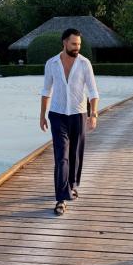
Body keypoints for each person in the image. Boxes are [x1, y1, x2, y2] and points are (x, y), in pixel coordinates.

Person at [40, 28, 99, 215]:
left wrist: (94, 114)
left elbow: (93, 92)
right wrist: (42, 115)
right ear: (64, 42)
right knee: (61, 157)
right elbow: (45, 91)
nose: (77, 47)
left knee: (75, 154)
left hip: (78, 114)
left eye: (79, 44)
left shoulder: (84, 63)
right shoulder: (51, 63)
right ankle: (61, 198)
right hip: (57, 115)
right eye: (74, 44)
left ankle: (71, 185)